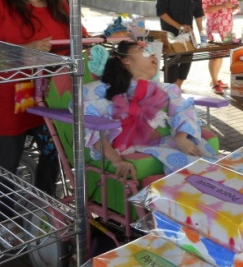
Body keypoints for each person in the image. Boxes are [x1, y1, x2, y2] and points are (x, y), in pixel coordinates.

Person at [0, 0, 82, 201]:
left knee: (56, 161)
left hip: (54, 102)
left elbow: (81, 41)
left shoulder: (60, 3)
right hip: (5, 106)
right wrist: (23, 52)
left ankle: (46, 213)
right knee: (3, 173)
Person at [82, 41, 217, 179]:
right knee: (202, 173)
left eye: (152, 51)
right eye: (142, 49)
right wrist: (116, 160)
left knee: (209, 164)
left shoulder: (167, 89)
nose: (152, 54)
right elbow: (92, 127)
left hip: (172, 140)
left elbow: (183, 109)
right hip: (135, 147)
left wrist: (181, 137)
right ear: (126, 60)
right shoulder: (101, 90)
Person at [156, 0, 205, 89]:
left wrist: (201, 31)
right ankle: (172, 89)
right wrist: (178, 26)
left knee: (187, 59)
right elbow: (161, 12)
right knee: (172, 61)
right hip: (170, 34)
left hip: (188, 34)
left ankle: (177, 88)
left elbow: (198, 12)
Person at [202, 0, 240, 94]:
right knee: (215, 54)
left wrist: (235, 6)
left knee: (222, 54)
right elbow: (205, 10)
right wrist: (222, 6)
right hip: (215, 28)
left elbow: (236, 5)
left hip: (227, 27)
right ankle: (214, 82)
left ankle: (216, 79)